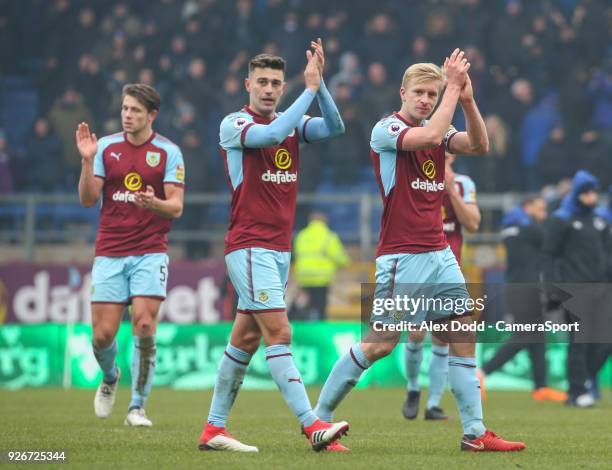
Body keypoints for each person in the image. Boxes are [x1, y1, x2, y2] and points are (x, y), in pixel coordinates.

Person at [313, 49, 525, 452]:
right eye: (420, 93)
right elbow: (429, 136)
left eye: (432, 93)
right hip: (402, 255)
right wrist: (451, 88)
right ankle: (318, 420)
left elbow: (480, 145)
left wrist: (466, 98)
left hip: (440, 252)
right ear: (403, 93)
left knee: (462, 332)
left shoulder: (441, 128)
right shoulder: (386, 130)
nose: (426, 100)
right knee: (380, 342)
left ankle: (475, 433)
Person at [198, 40, 349, 453]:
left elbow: (334, 129)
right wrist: (309, 91)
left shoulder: (291, 118)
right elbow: (273, 133)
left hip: (278, 250)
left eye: (276, 83)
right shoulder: (235, 124)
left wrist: (321, 88)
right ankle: (312, 425)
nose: (268, 89)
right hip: (249, 246)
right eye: (262, 81)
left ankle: (214, 430)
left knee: (245, 341)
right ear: (248, 84)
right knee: (280, 332)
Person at [76, 83, 185, 427]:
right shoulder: (105, 147)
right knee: (102, 336)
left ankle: (137, 407)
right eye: (125, 109)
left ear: (151, 115)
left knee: (143, 323)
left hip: (150, 251)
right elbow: (88, 199)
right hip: (110, 251)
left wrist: (155, 204)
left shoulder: (169, 152)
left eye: (135, 110)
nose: (127, 115)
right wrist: (88, 160)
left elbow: (176, 207)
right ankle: (110, 377)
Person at [402, 151, 481, 421]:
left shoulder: (463, 184)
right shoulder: (415, 180)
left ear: (451, 158)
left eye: (445, 155)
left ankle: (433, 404)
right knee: (414, 334)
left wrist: (450, 190)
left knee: (442, 338)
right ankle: (413, 387)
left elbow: (472, 224)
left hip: (449, 271)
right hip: (417, 268)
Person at [480, 196, 567, 402]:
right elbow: (551, 241)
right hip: (524, 288)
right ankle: (481, 373)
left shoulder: (511, 226)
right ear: (527, 207)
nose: (544, 214)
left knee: (537, 337)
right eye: (541, 209)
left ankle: (541, 387)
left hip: (521, 287)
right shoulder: (528, 229)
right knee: (525, 335)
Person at [543, 170, 609, 407]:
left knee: (603, 341)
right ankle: (576, 390)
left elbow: (607, 254)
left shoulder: (600, 220)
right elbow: (550, 256)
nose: (592, 197)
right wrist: (552, 289)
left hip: (601, 288)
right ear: (578, 193)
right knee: (580, 340)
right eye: (587, 192)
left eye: (594, 192)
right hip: (573, 288)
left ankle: (587, 378)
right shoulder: (562, 219)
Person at [293, 211, 350, 320]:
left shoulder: (301, 235)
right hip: (321, 279)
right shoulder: (329, 236)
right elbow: (339, 257)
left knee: (303, 306)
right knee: (319, 309)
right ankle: (317, 329)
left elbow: (296, 255)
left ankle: (300, 329)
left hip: (303, 278)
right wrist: (346, 263)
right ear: (325, 221)